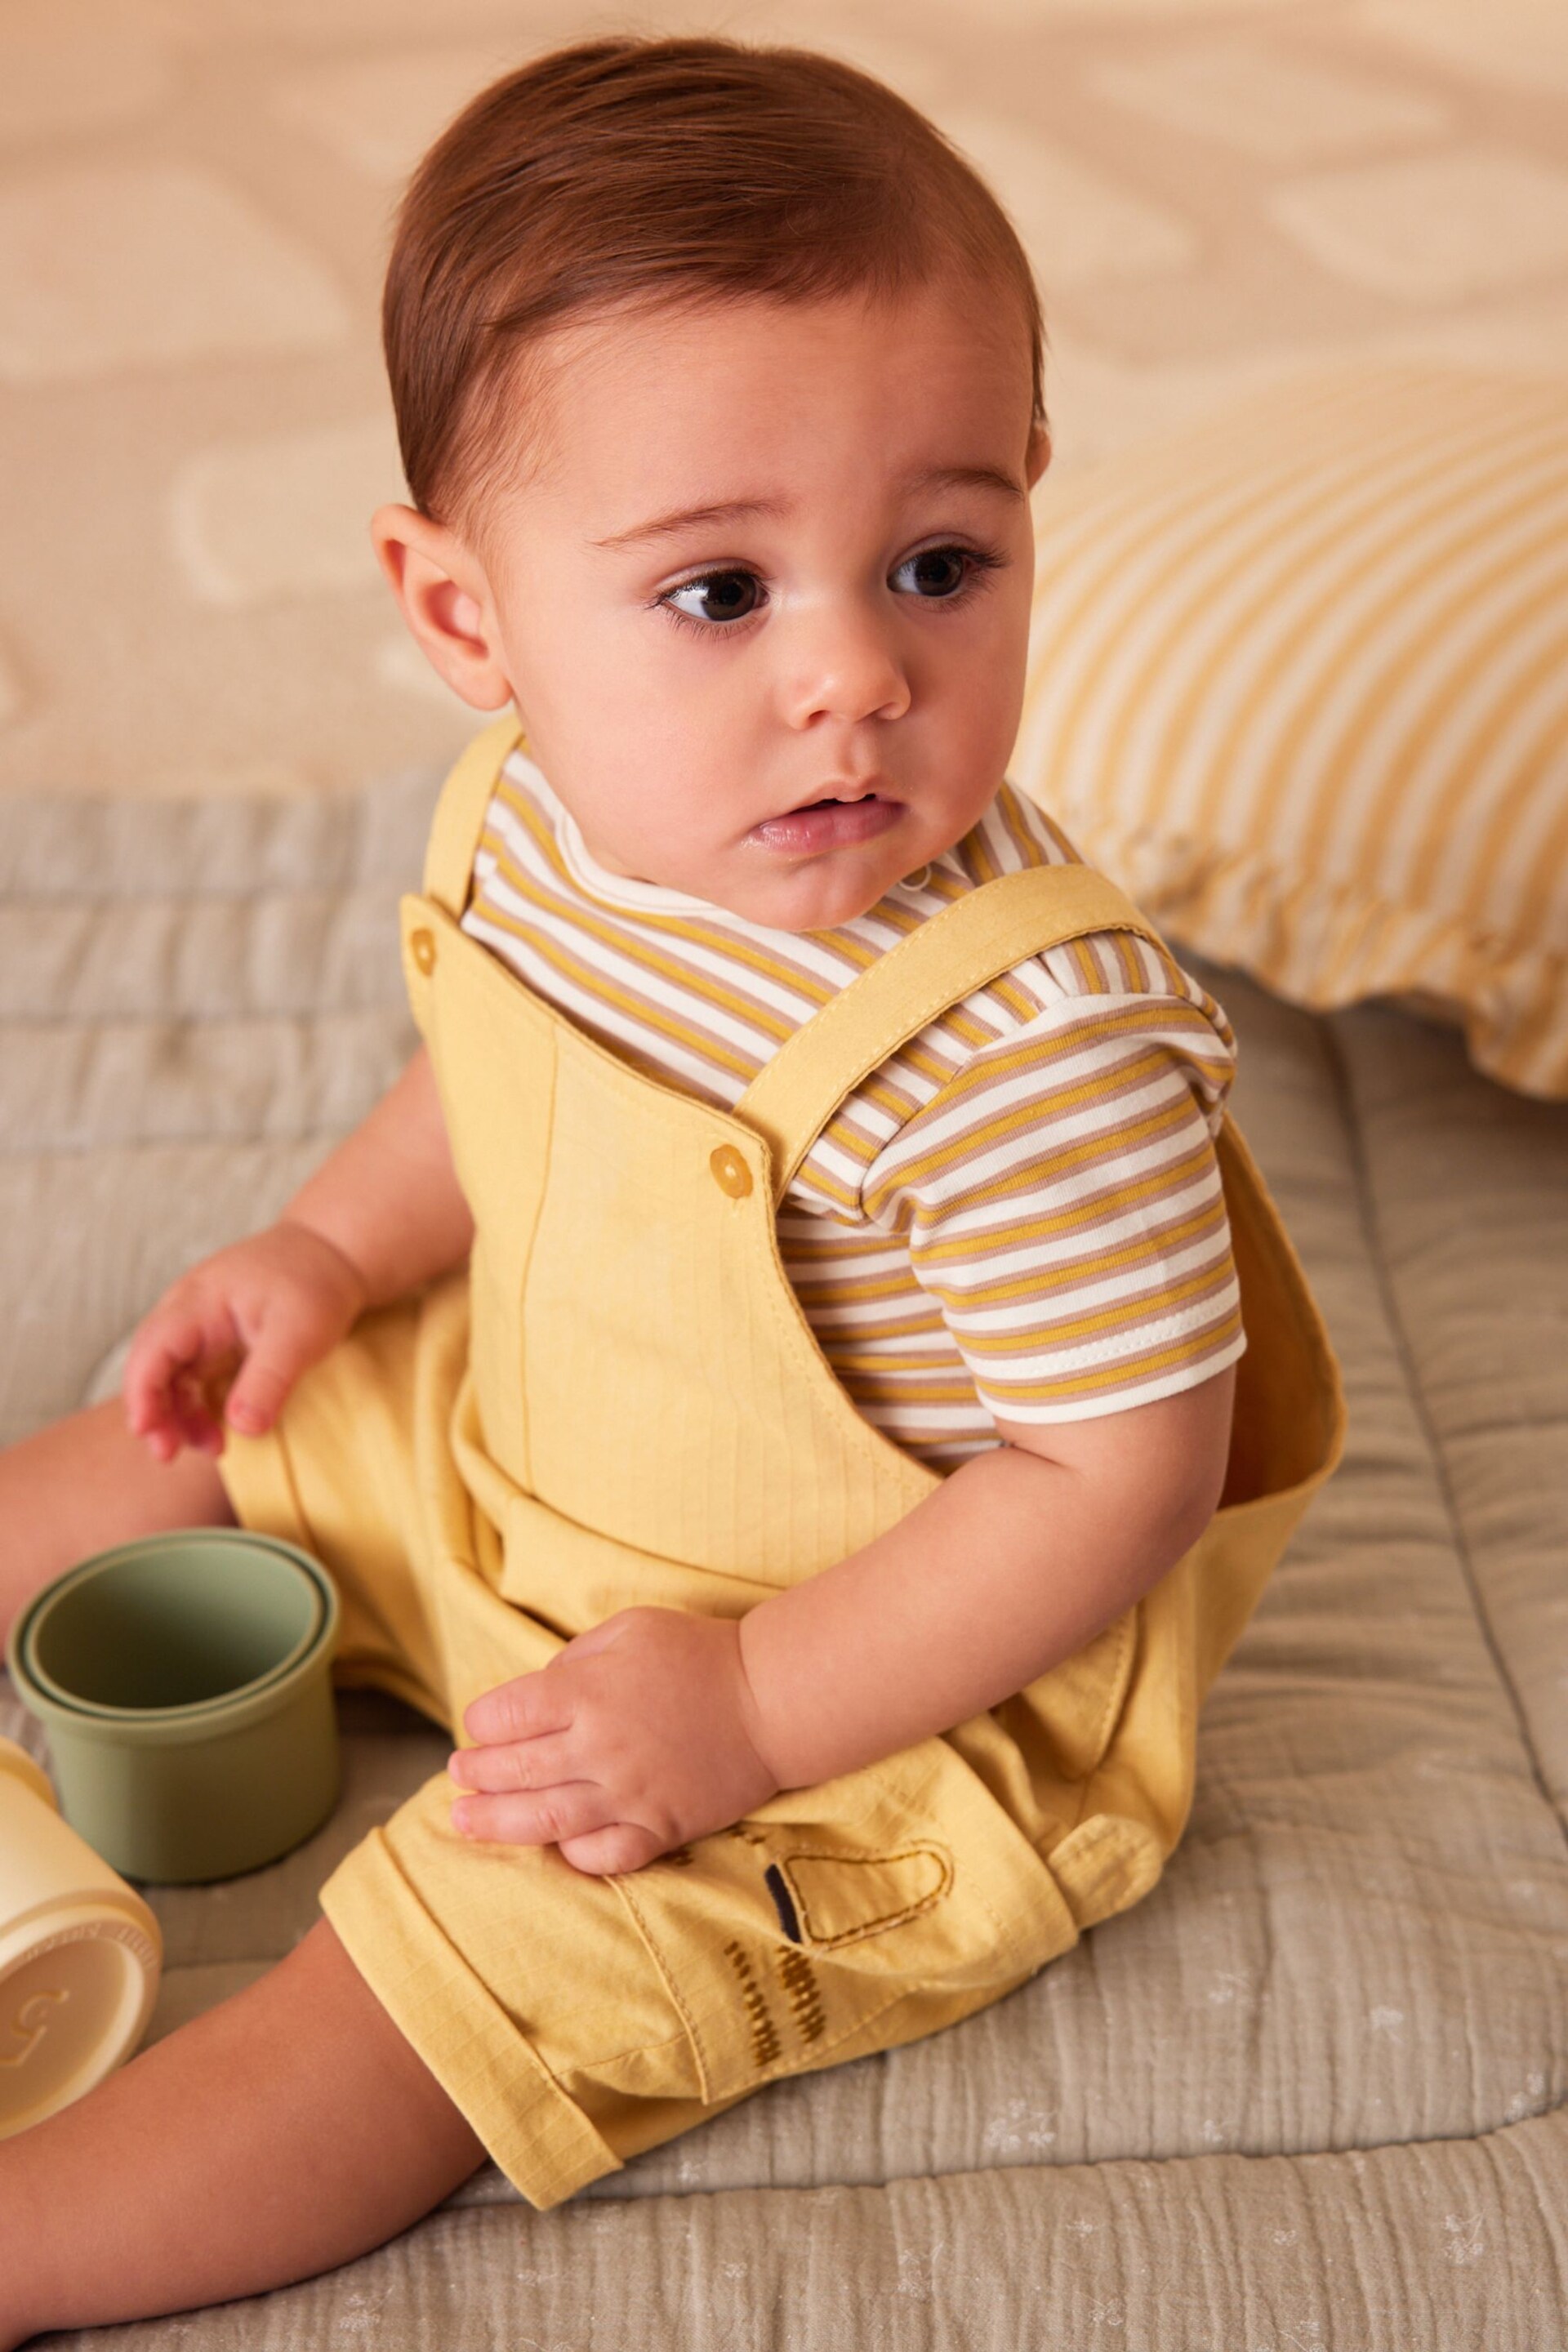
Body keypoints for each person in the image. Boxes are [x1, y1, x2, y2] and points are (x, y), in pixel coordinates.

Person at [0, 36, 1341, 2344]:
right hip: (530, 1452)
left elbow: (1120, 1475)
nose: (853, 675)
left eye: (940, 562)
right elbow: (496, 1085)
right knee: (185, 1434)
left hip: (879, 1665)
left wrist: (741, 1710)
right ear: (468, 624)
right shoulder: (544, 813)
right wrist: (328, 1246)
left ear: (1029, 502)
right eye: (718, 592)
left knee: (470, 1973)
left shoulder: (1040, 1062)